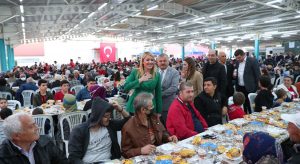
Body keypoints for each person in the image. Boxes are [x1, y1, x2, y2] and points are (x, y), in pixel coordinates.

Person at [68, 97, 130, 163]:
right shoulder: (79, 131)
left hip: (109, 161)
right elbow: (73, 157)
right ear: (97, 116)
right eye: (106, 116)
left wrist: (120, 109)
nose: (108, 118)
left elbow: (129, 121)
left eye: (109, 115)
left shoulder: (109, 125)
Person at [121, 93, 178, 158]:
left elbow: (162, 132)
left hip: (158, 155)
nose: (153, 108)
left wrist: (169, 138)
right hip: (143, 159)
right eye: (151, 106)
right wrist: (140, 150)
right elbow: (125, 152)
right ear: (143, 110)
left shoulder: (154, 118)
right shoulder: (128, 127)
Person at [0, 113, 67, 164]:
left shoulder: (45, 141)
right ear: (17, 136)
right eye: (31, 127)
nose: (37, 128)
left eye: (35, 124)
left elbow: (62, 161)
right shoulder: (3, 155)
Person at [234, 49, 261, 114]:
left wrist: (258, 87)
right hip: (240, 87)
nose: (238, 59)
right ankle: (244, 115)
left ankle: (251, 116)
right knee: (242, 105)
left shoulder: (252, 61)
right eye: (237, 58)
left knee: (250, 104)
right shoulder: (237, 62)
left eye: (239, 57)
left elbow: (257, 74)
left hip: (250, 87)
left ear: (244, 55)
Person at [156, 53, 180, 125]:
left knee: (168, 127)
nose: (162, 62)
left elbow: (174, 88)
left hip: (168, 106)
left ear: (168, 61)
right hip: (155, 106)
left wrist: (158, 95)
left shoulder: (174, 72)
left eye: (164, 61)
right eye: (160, 61)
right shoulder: (154, 72)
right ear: (157, 62)